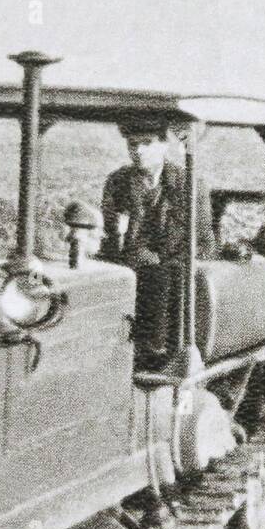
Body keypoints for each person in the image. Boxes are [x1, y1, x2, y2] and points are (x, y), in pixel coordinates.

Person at [100, 121, 216, 359]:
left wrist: (159, 259)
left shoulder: (189, 185)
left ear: (164, 146)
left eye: (147, 143)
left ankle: (155, 353)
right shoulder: (118, 183)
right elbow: (111, 236)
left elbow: (203, 244)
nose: (138, 150)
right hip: (130, 269)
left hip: (173, 276)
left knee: (160, 278)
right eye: (133, 144)